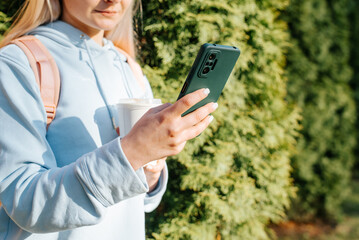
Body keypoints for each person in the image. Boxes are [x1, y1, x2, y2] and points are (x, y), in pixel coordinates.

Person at [0, 0, 217, 239]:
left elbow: (138, 201)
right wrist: (133, 151)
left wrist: (151, 170)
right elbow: (24, 203)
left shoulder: (129, 68)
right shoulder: (20, 63)